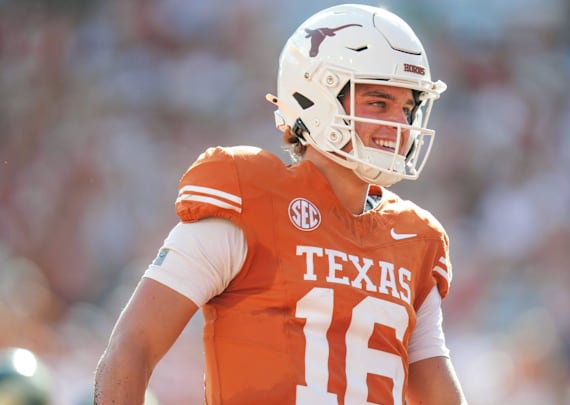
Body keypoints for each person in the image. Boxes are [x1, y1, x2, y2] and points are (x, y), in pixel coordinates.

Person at [95, 4, 466, 404]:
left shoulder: (415, 238)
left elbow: (437, 394)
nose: (401, 126)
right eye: (379, 103)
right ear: (318, 96)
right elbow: (132, 348)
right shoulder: (249, 197)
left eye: (408, 108)